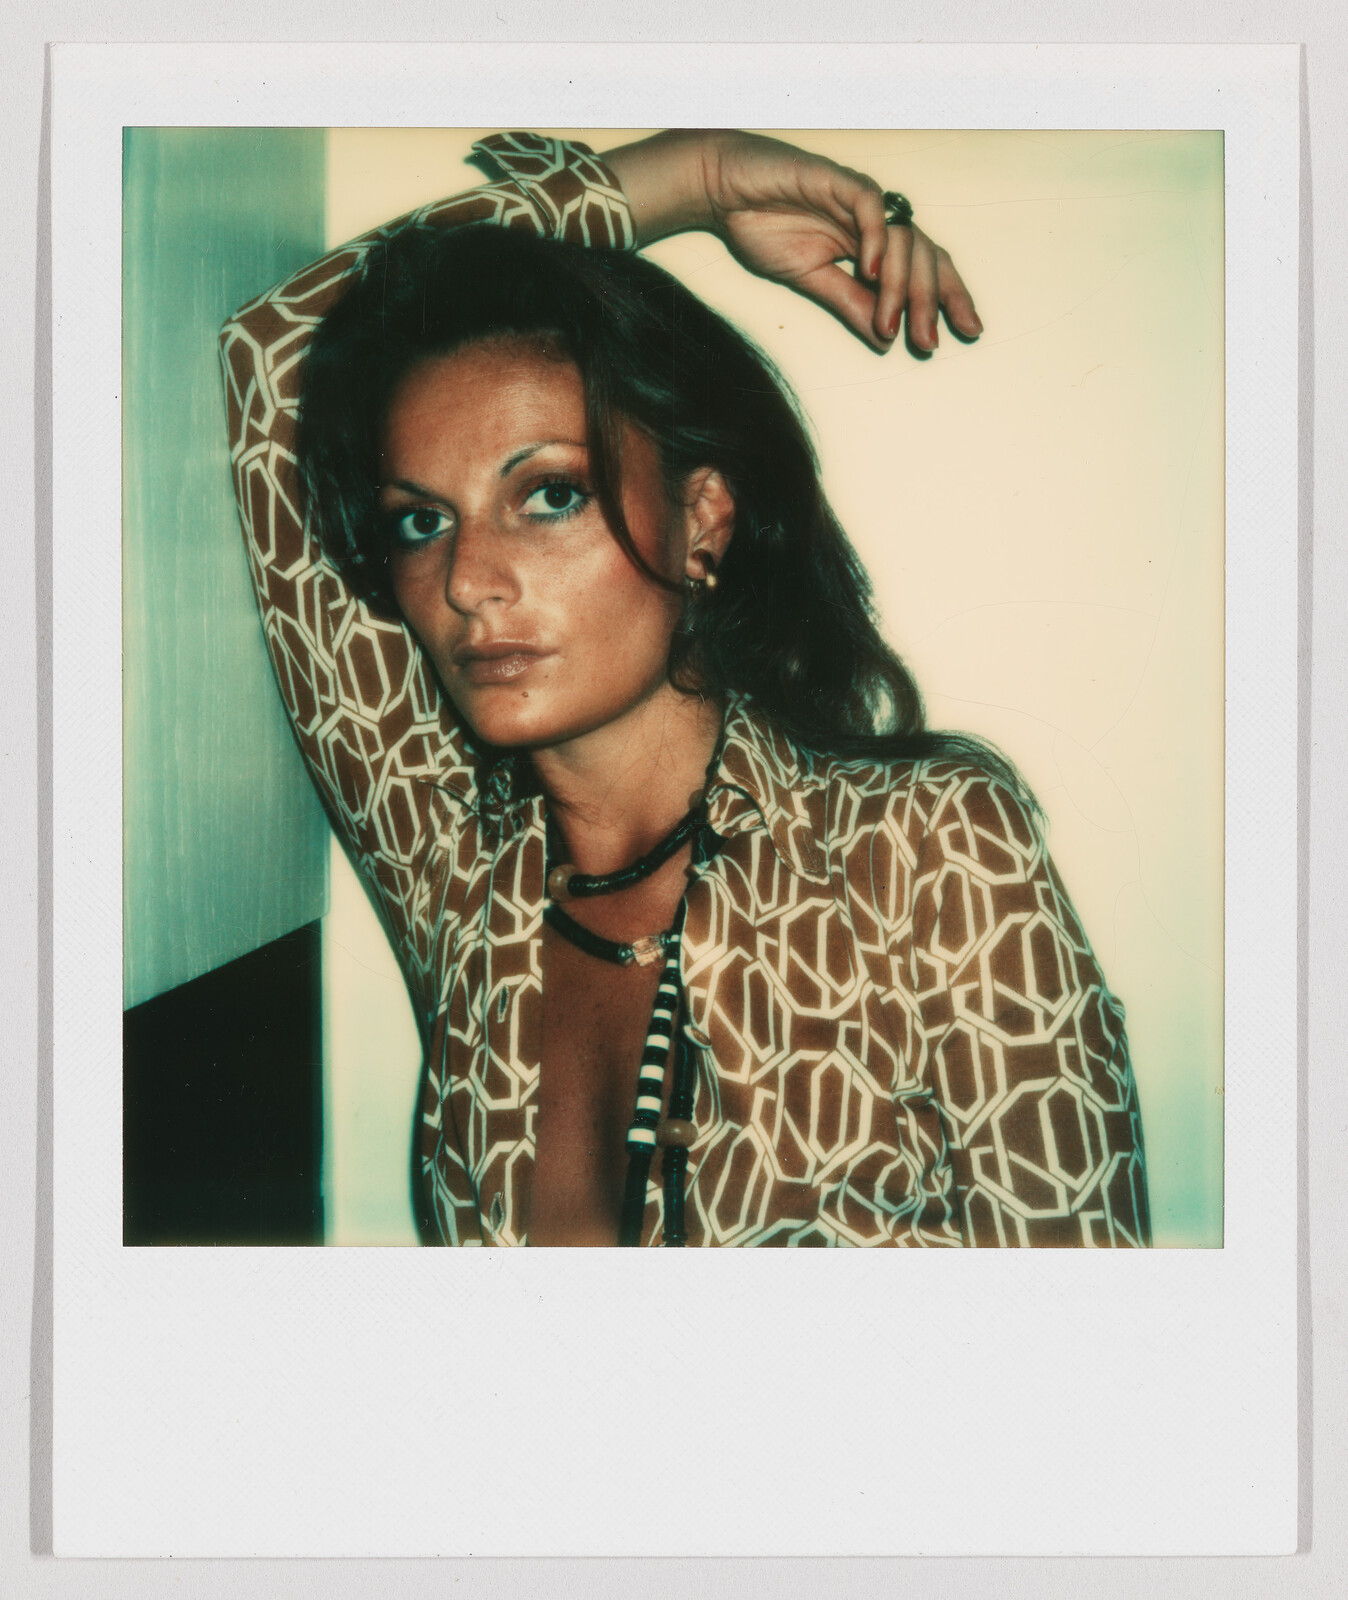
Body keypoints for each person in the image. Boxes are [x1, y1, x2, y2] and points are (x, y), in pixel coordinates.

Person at [220, 129, 1150, 1248]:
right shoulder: (457, 869)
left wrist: (698, 186)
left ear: (702, 519)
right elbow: (280, 355)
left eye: (547, 495)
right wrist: (691, 176)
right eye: (422, 520)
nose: (467, 581)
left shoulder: (925, 853)